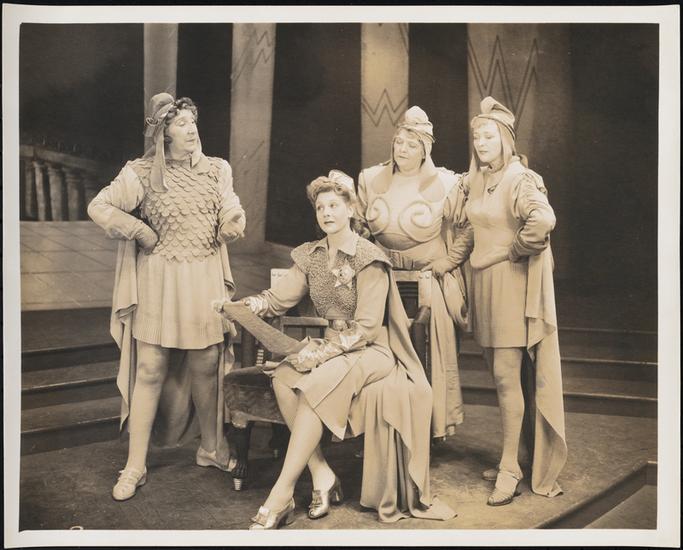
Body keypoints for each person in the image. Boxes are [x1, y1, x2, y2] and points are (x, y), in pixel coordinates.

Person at [216, 170, 455, 528]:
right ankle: (322, 473)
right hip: (333, 347)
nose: (326, 213)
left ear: (350, 210)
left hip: (372, 350)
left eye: (334, 205)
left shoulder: (369, 257)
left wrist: (320, 354)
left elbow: (368, 328)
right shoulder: (311, 255)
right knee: (284, 377)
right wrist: (245, 306)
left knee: (312, 384)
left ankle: (281, 494)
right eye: (320, 207)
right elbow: (277, 299)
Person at [87, 93, 246, 501]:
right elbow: (100, 206)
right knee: (151, 368)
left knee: (206, 364)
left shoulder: (217, 169)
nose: (191, 129)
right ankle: (135, 465)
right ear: (163, 132)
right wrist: (139, 230)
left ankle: (211, 447)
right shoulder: (139, 172)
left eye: (193, 122)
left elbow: (230, 207)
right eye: (181, 124)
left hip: (203, 277)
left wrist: (231, 222)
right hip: (158, 278)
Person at [461, 96, 567, 506]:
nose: (481, 143)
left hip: (509, 285)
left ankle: (509, 469)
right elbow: (471, 230)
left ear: (505, 138)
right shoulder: (481, 178)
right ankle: (516, 455)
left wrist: (510, 252)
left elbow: (543, 220)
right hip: (484, 287)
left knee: (507, 378)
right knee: (502, 377)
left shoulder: (519, 177)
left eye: (488, 136)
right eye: (476, 136)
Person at [356, 106, 473, 440]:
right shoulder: (370, 179)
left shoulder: (448, 183)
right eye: (399, 142)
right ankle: (378, 429)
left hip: (427, 280)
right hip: (382, 281)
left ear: (425, 149)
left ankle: (428, 429)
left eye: (411, 144)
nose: (403, 149)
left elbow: (470, 227)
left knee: (428, 350)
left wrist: (448, 262)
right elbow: (359, 227)